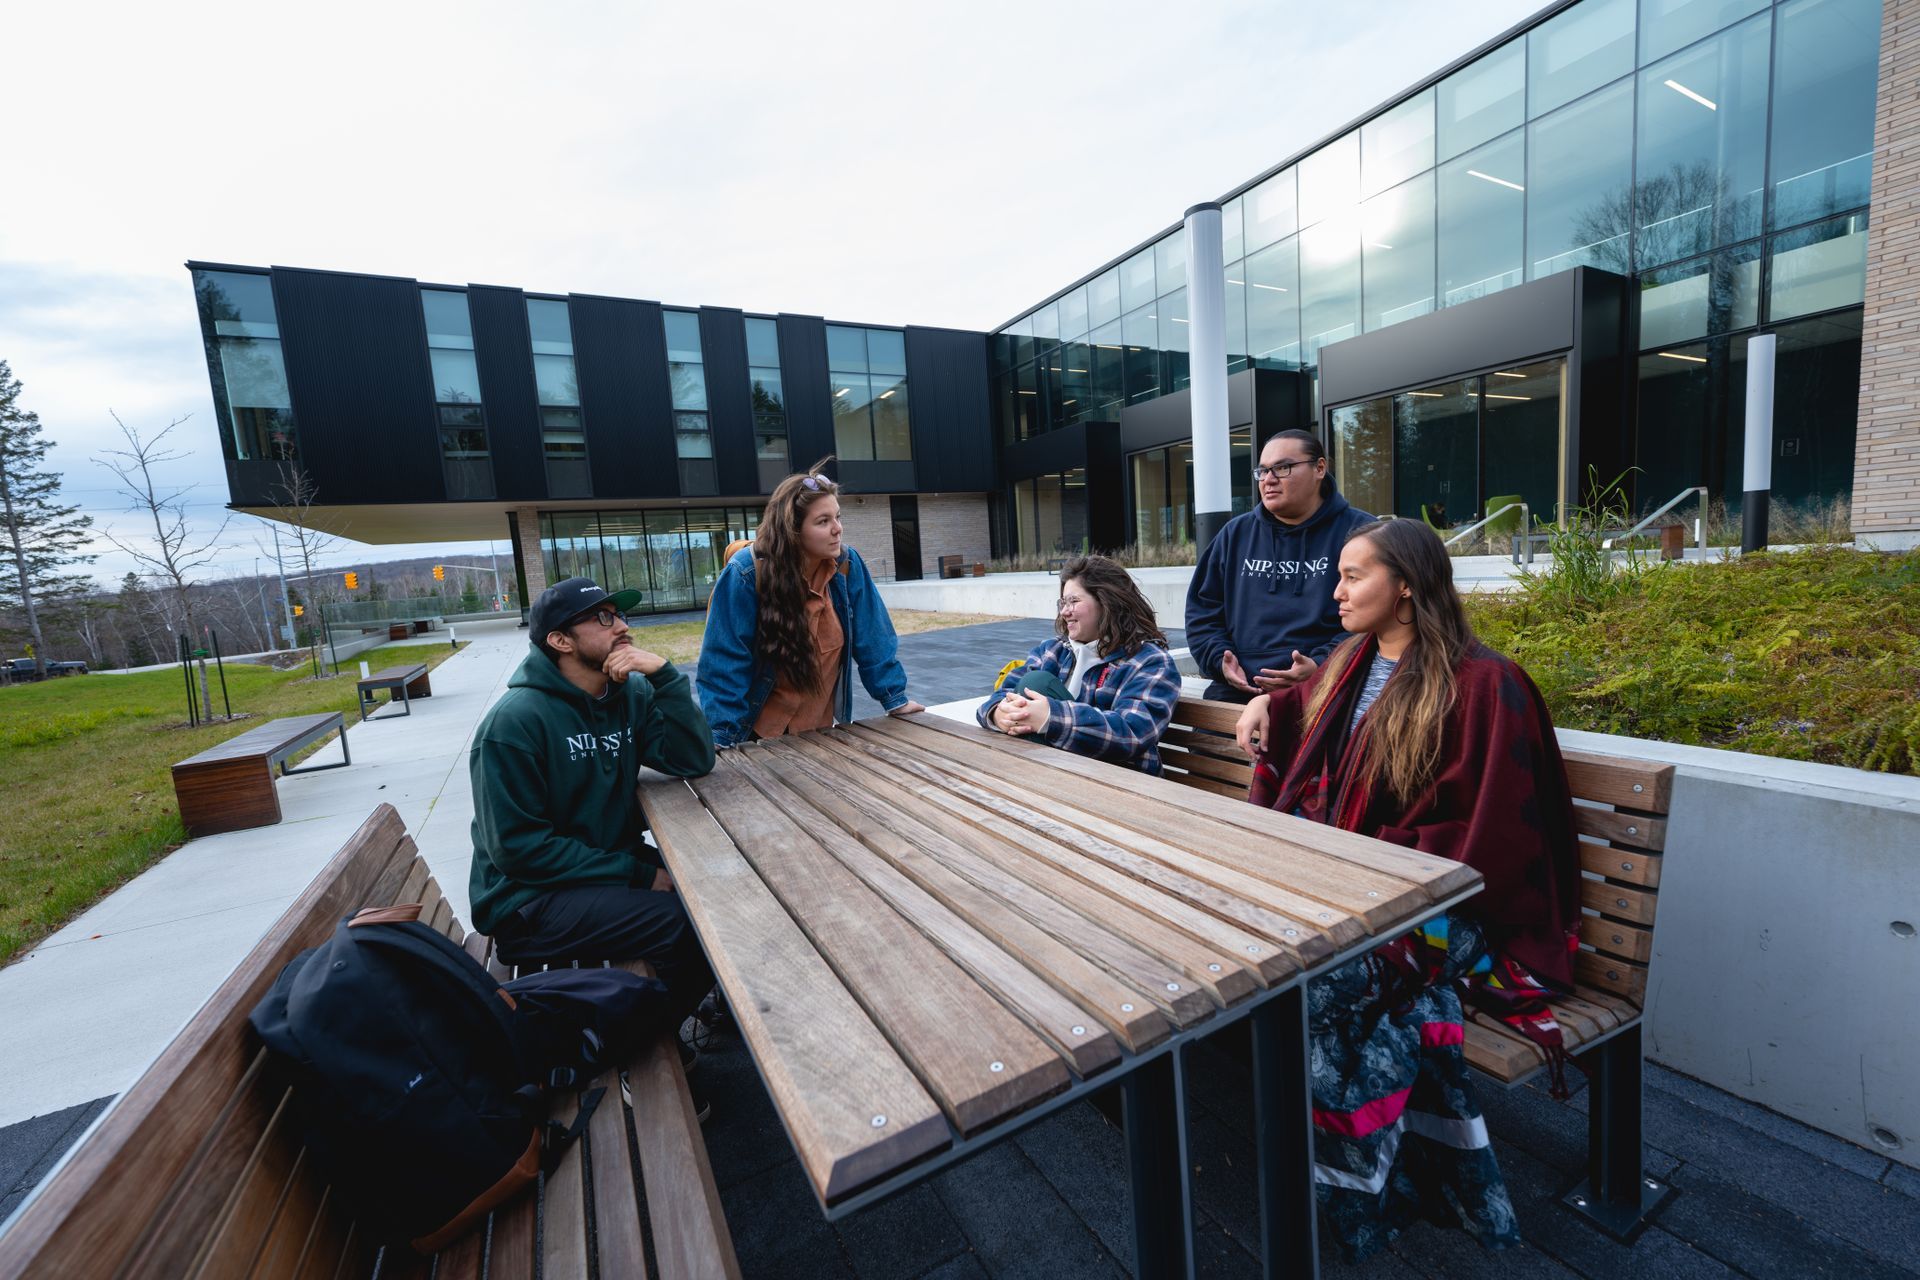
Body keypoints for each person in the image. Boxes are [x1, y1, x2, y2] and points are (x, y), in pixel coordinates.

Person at [1233, 517, 1581, 1261]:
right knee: (1272, 973)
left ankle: (1356, 1198)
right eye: (1341, 574)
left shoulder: (1487, 685)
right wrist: (1269, 702)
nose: (1338, 588)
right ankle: (1362, 1193)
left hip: (1443, 909)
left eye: (1355, 575)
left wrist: (1374, 862)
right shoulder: (1350, 661)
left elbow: (1493, 841)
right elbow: (1306, 715)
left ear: (1408, 587)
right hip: (1351, 893)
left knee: (1310, 991)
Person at [467, 576, 718, 1039]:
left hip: (596, 871)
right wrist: (640, 874)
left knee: (720, 884)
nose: (621, 626)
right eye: (603, 618)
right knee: (686, 924)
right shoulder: (514, 724)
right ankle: (631, 1046)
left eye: (619, 614)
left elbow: (693, 760)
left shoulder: (629, 696)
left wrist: (664, 678)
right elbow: (519, 851)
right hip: (527, 902)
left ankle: (674, 1004)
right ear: (560, 640)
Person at [699, 459, 925, 746]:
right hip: (756, 737)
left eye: (838, 517)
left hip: (820, 733)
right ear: (793, 530)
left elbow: (873, 635)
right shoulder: (746, 573)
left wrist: (895, 699)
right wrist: (722, 741)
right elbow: (724, 663)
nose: (837, 529)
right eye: (823, 521)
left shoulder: (846, 563)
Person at [1184, 428, 1373, 704]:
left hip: (1327, 689)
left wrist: (1322, 665)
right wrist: (1220, 661)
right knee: (1206, 742)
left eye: (1283, 468)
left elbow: (1374, 619)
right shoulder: (1235, 534)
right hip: (1239, 690)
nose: (1269, 480)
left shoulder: (1361, 534)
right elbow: (1203, 612)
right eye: (1263, 471)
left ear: (1319, 468)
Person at [977, 555, 1181, 774]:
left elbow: (1132, 733)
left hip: (1120, 782)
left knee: (1037, 682)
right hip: (1054, 773)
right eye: (1063, 603)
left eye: (1074, 601)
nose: (1065, 611)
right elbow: (1001, 695)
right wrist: (999, 714)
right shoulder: (1053, 650)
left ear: (1107, 602)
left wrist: (1050, 718)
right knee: (1032, 681)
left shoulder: (1151, 661)